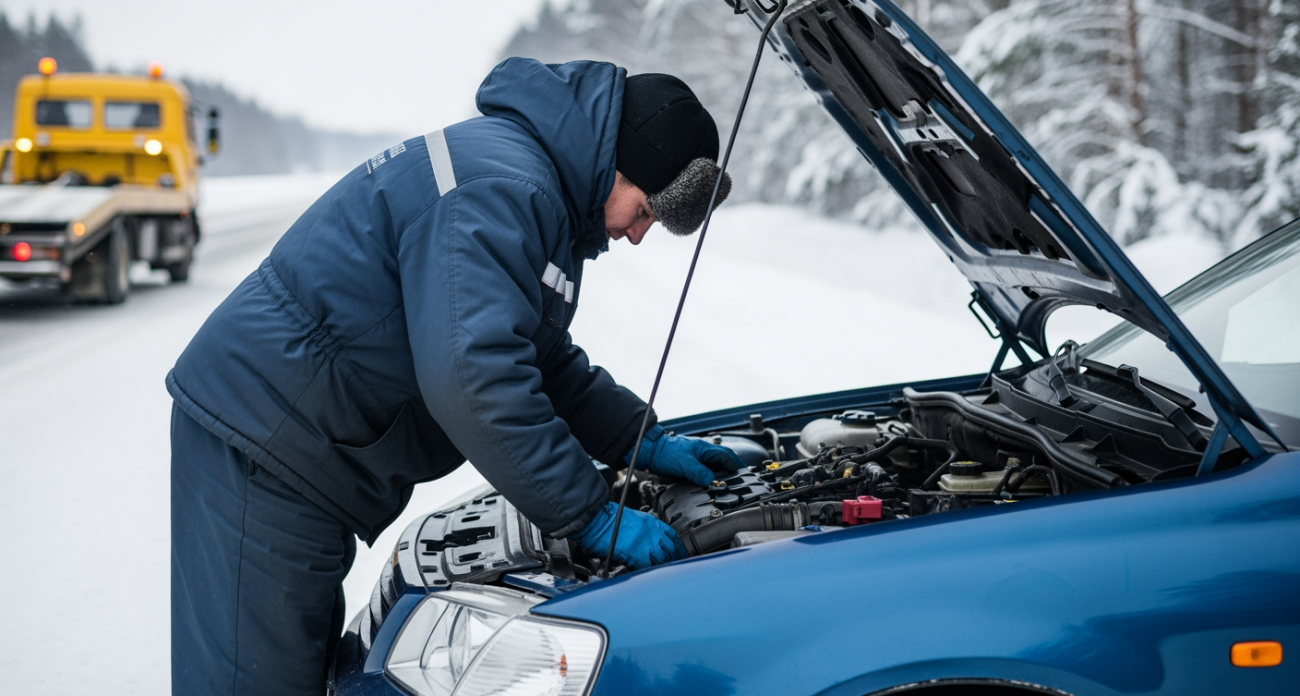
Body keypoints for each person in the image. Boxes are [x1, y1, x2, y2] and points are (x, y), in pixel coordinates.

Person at [166, 58, 745, 696]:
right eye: (646, 211)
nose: (638, 235)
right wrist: (589, 514)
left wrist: (639, 437)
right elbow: (475, 378)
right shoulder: (504, 188)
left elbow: (538, 357)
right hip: (266, 439)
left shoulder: (530, 183)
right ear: (621, 163)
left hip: (296, 444)